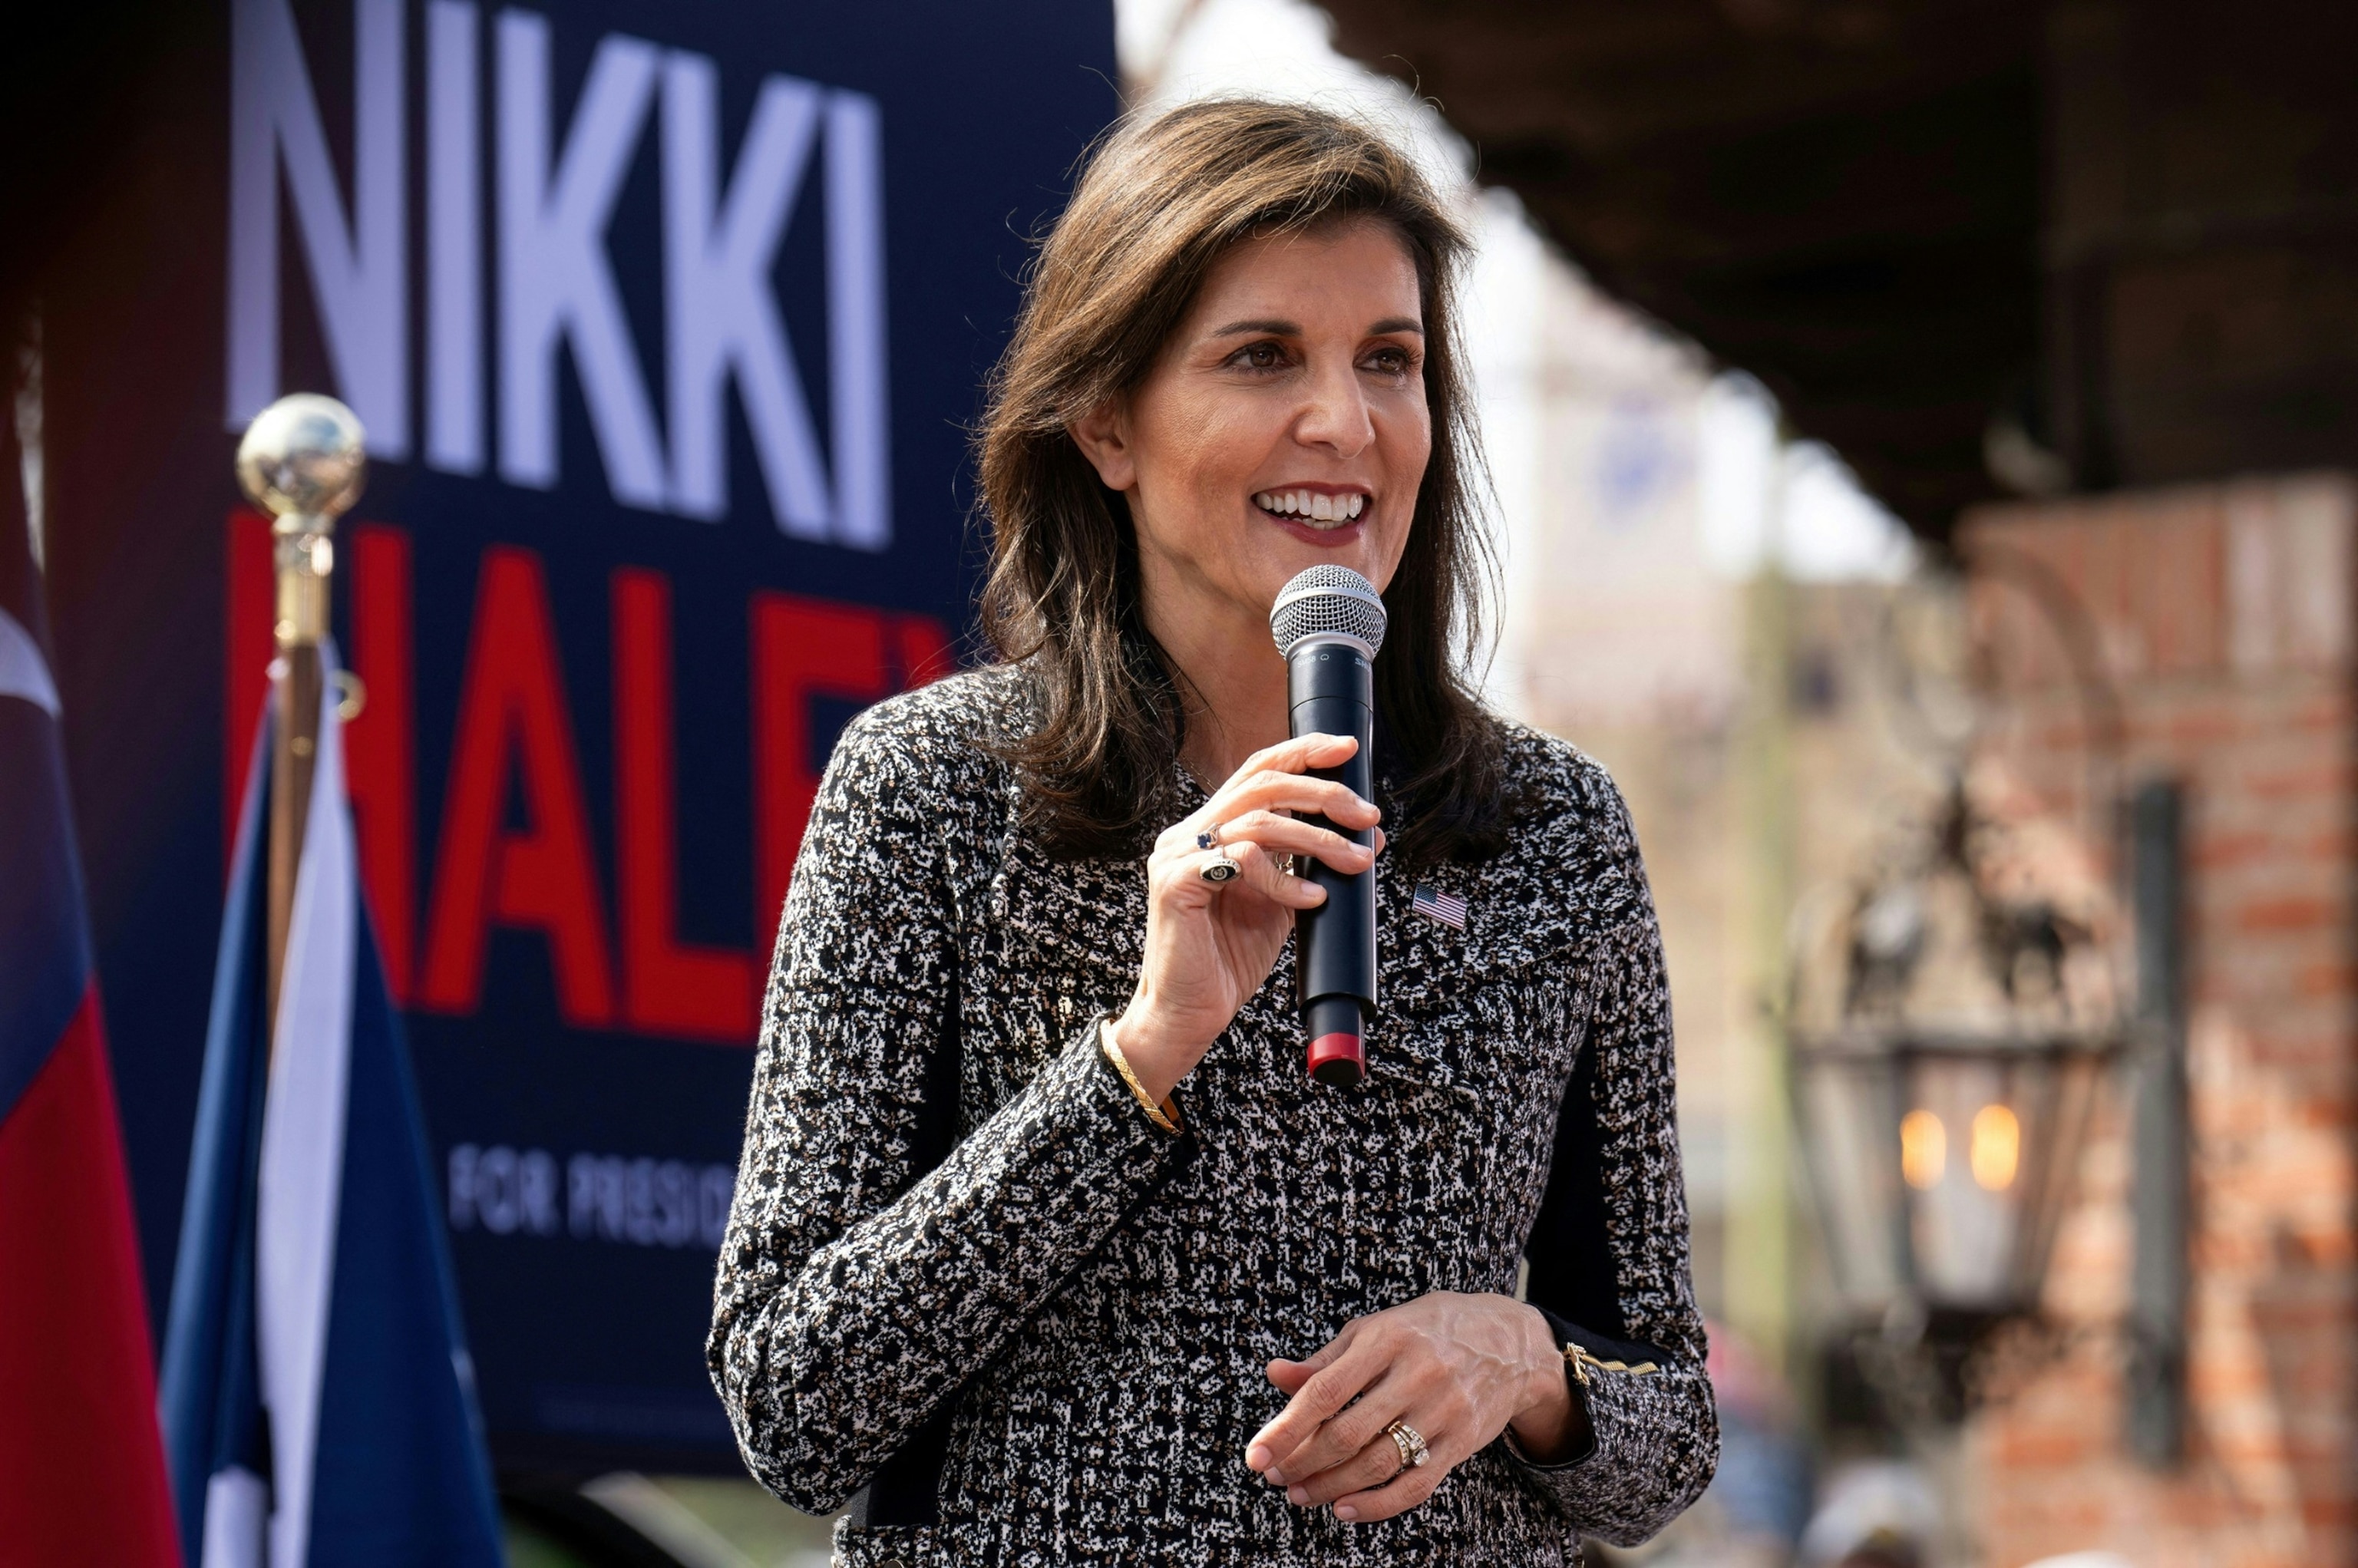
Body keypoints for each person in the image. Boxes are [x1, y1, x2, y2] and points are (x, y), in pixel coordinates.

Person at [708, 97, 1717, 1566]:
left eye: (1391, 360)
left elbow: (1667, 1429)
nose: (1345, 423)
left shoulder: (1550, 832)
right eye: (1262, 358)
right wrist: (1138, 1058)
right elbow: (793, 1400)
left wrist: (1522, 1364)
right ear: (1106, 424)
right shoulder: (931, 790)